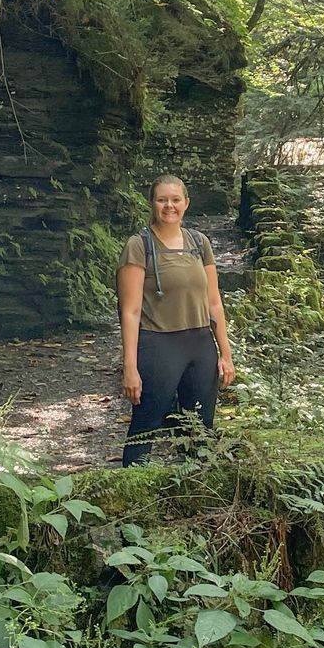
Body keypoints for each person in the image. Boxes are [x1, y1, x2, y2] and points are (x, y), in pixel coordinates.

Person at [117, 175, 236, 466]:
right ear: (152, 204)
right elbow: (130, 312)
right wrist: (130, 367)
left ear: (186, 203)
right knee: (146, 425)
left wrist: (226, 354)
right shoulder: (139, 245)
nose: (169, 206)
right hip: (158, 346)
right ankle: (132, 492)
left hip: (200, 345)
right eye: (162, 200)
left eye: (175, 199)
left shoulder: (200, 242)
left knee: (199, 429)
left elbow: (214, 302)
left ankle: (194, 493)